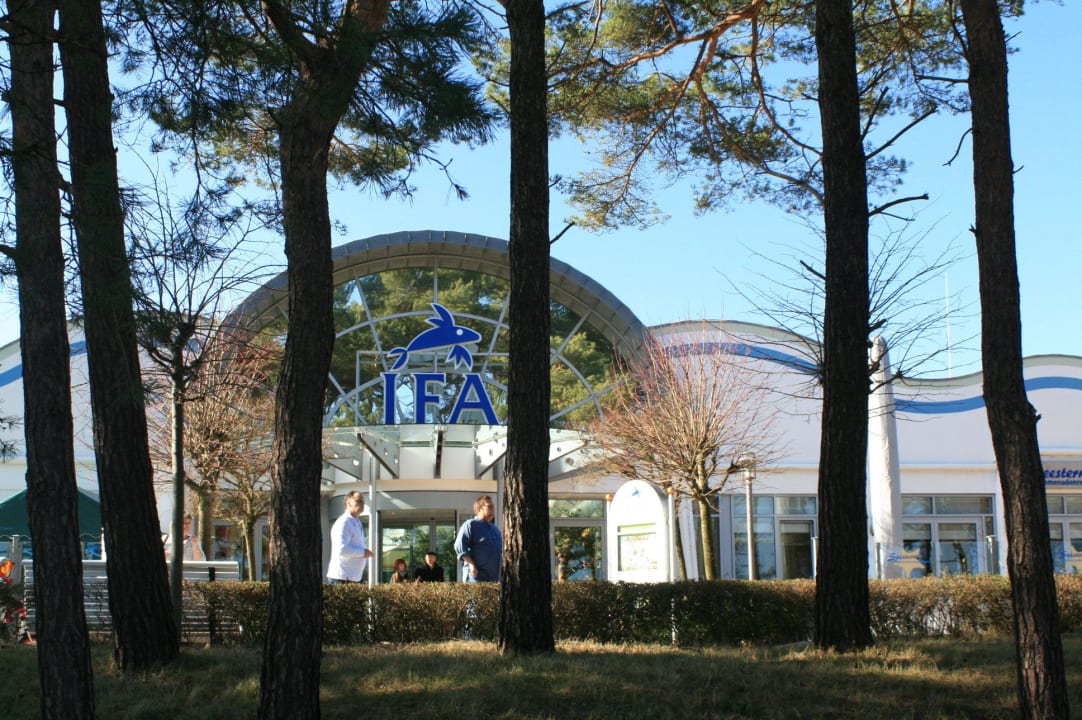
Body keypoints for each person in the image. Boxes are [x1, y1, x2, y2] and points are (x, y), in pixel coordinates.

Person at [326, 491, 373, 584]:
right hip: (341, 578)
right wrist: (363, 553)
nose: (362, 504)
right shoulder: (344, 522)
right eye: (358, 500)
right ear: (348, 503)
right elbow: (342, 549)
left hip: (353, 578)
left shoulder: (357, 522)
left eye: (363, 502)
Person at [454, 494, 502, 582]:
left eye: (493, 506)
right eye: (489, 506)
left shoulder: (495, 530)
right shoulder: (470, 524)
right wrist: (471, 565)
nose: (493, 508)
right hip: (475, 577)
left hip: (493, 579)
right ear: (479, 509)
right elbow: (459, 546)